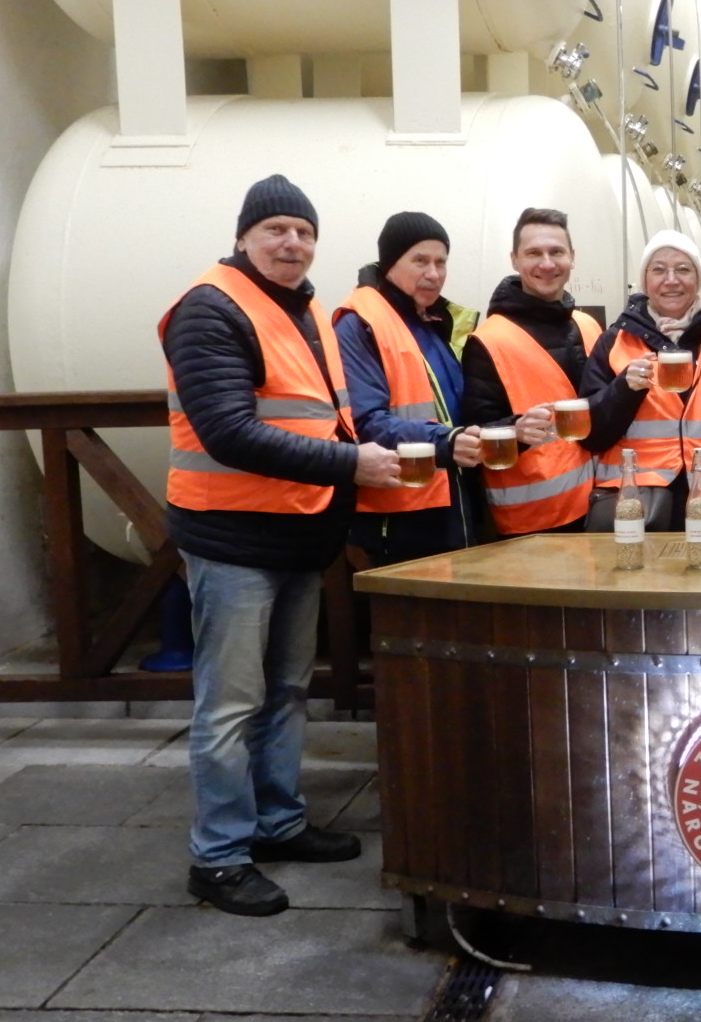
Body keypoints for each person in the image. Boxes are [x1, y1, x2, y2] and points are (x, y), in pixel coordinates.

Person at [159, 175, 400, 916]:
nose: (292, 243)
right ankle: (219, 857)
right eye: (276, 230)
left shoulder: (303, 308)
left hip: (295, 533)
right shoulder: (211, 309)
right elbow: (228, 432)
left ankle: (277, 821)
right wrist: (350, 466)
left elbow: (319, 415)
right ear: (243, 237)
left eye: (304, 231)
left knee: (287, 690)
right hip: (231, 537)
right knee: (230, 705)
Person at [333, 211, 485, 566]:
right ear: (390, 263)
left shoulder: (435, 322)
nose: (433, 274)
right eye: (420, 261)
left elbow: (458, 414)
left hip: (453, 504)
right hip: (398, 518)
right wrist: (447, 441)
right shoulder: (359, 324)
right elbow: (365, 423)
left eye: (441, 262)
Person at [461, 207, 603, 535]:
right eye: (534, 253)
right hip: (531, 524)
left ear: (572, 257)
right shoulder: (488, 340)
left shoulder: (589, 326)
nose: (547, 264)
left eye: (556, 252)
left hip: (598, 506)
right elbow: (472, 434)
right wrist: (516, 429)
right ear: (514, 260)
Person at [579, 229, 701, 530]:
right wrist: (623, 390)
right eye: (659, 270)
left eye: (683, 269)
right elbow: (590, 435)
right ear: (645, 281)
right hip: (635, 505)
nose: (671, 280)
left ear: (698, 279)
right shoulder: (615, 341)